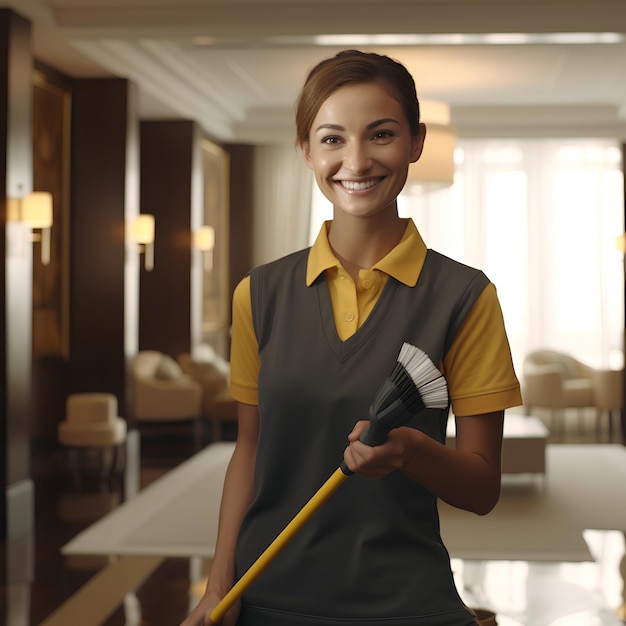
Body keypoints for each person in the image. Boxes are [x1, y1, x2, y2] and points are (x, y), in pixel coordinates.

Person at [181, 49, 522, 626]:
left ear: (416, 142)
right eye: (333, 139)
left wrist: (412, 451)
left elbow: (482, 488)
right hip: (267, 597)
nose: (356, 160)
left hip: (406, 605)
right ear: (306, 150)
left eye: (381, 134)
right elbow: (251, 450)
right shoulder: (257, 295)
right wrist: (219, 590)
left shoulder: (466, 298)